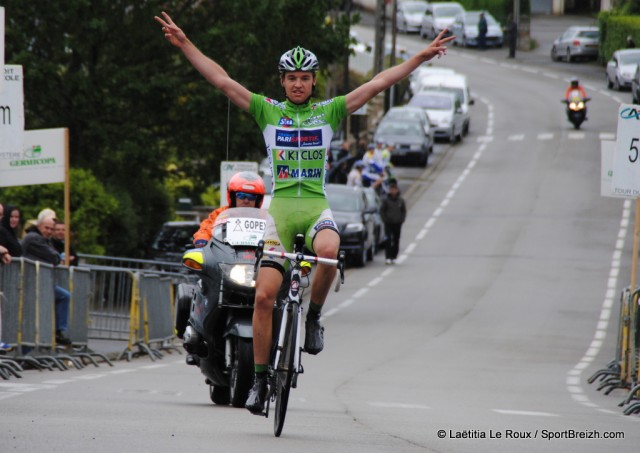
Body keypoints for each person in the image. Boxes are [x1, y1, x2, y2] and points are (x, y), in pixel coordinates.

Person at [155, 10, 454, 415]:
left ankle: (312, 317)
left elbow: (380, 81)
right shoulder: (267, 112)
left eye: (305, 78)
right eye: (291, 78)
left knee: (329, 251)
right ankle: (260, 381)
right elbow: (222, 80)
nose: (298, 83)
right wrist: (185, 42)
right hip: (279, 213)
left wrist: (420, 57)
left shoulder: (328, 112)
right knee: (262, 298)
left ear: (314, 82)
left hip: (315, 207)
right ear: (282, 82)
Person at [21, 214, 72, 345]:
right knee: (35, 316)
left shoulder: (45, 239)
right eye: (46, 228)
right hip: (32, 282)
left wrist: (56, 257)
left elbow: (54, 255)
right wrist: (56, 257)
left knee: (63, 297)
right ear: (39, 226)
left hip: (43, 282)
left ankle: (57, 333)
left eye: (51, 229)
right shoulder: (33, 238)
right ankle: (56, 333)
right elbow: (53, 256)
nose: (49, 231)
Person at [192, 171, 265, 246]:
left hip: (256, 255)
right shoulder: (220, 213)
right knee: (192, 257)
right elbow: (206, 230)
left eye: (251, 197)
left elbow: (273, 234)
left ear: (258, 200)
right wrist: (202, 239)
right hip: (225, 254)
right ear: (232, 197)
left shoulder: (264, 217)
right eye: (241, 195)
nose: (246, 201)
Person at [379, 180, 406, 265]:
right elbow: (382, 211)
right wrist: (385, 220)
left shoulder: (400, 200)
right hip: (388, 223)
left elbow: (403, 211)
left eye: (395, 189)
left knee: (396, 240)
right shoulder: (386, 200)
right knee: (388, 240)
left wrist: (401, 219)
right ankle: (388, 257)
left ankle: (394, 256)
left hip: (397, 223)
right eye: (392, 189)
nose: (393, 191)